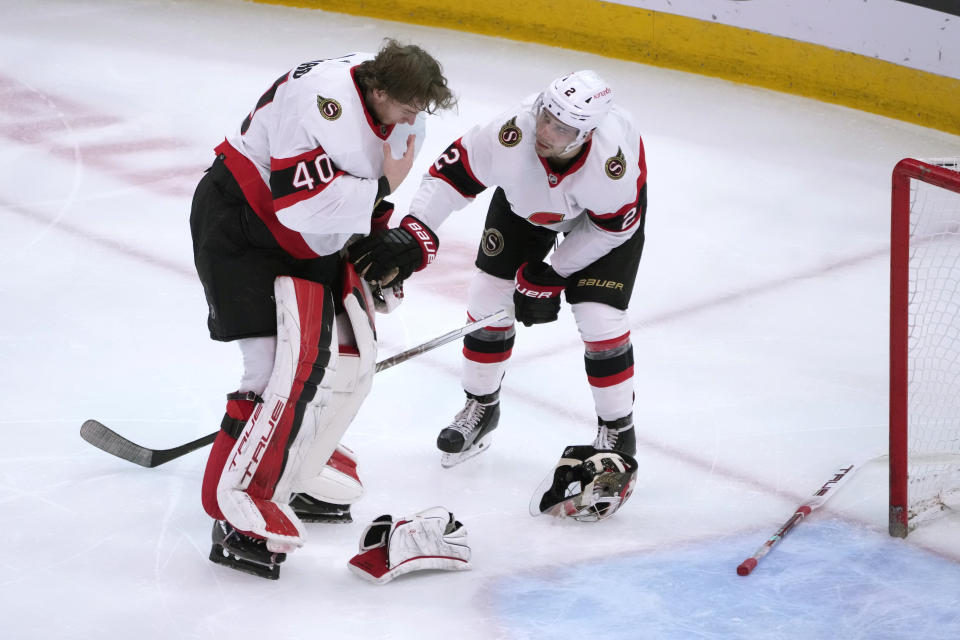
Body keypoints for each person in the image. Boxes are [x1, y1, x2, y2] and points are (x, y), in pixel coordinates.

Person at [190, 39, 455, 579]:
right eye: (406, 107)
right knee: (270, 371)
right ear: (378, 90)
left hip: (310, 239)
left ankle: (291, 462)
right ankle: (239, 502)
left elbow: (357, 198)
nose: (413, 119)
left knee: (348, 356)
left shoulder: (398, 109)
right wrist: (382, 184)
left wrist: (377, 243)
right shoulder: (322, 101)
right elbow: (300, 203)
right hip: (242, 225)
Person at [350, 70, 646, 477]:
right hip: (526, 205)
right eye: (545, 116)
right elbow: (448, 177)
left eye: (561, 128)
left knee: (599, 319)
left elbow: (615, 229)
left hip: (601, 227)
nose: (545, 131)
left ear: (586, 135)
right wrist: (417, 229)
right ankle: (482, 405)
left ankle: (617, 430)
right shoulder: (511, 131)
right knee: (487, 296)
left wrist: (553, 273)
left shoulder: (611, 166)